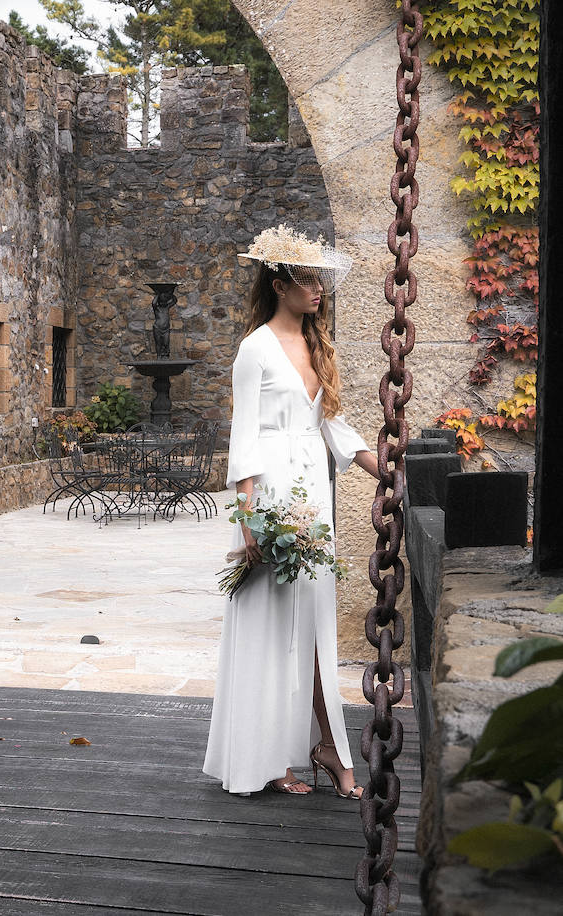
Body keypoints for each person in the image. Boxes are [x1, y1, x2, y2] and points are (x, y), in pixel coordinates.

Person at [203, 226, 378, 798]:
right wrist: (249, 517)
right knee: (270, 626)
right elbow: (244, 435)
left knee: (313, 626)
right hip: (270, 496)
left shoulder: (317, 345)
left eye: (319, 279)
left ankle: (327, 745)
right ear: (280, 286)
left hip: (313, 499)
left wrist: (384, 469)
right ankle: (270, 756)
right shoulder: (254, 349)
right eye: (307, 280)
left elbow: (332, 424)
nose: (318, 289)